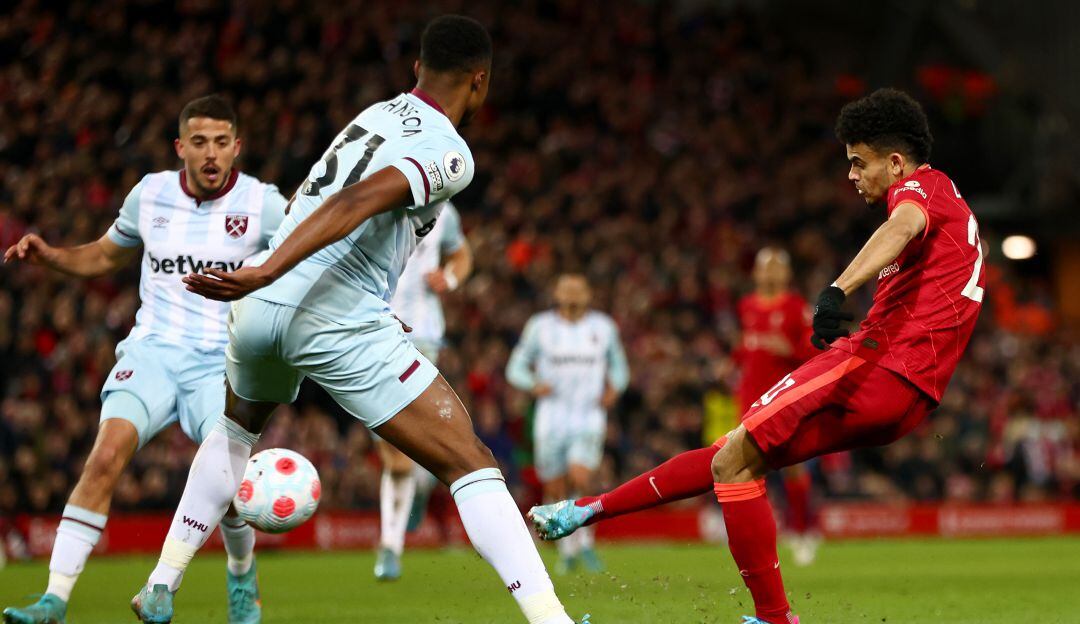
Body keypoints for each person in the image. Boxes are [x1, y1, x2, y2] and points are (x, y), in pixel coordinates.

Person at [131, 16, 585, 624]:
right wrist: (272, 274)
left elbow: (306, 202)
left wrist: (270, 276)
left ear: (416, 69)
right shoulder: (451, 152)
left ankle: (163, 582)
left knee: (237, 430)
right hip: (330, 313)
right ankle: (551, 620)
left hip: (262, 310)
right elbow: (354, 202)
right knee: (470, 462)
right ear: (480, 82)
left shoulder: (372, 115)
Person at [530, 88, 985, 624]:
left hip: (877, 365)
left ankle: (773, 616)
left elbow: (902, 225)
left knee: (732, 457)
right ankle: (588, 510)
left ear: (894, 160)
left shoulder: (919, 189)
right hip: (909, 396)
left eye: (858, 163)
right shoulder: (949, 199)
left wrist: (837, 290)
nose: (852, 175)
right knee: (735, 458)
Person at [2, 95, 285, 624]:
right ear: (180, 147)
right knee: (105, 455)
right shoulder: (150, 194)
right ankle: (54, 599)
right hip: (152, 350)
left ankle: (242, 574)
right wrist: (53, 257)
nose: (211, 153)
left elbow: (308, 251)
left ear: (236, 147)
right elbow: (106, 253)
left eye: (222, 142)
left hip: (219, 364)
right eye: (199, 142)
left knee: (227, 484)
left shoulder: (263, 203)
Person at [375, 201, 473, 580]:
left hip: (424, 337)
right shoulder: (371, 202)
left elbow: (461, 253)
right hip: (370, 334)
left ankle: (390, 545)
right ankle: (400, 520)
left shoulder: (445, 210)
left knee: (409, 445)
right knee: (398, 453)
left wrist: (450, 278)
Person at [506, 274, 629, 574]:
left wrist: (614, 390)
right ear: (557, 294)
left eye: (578, 289)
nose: (572, 295)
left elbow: (620, 367)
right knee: (555, 485)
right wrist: (532, 384)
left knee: (582, 477)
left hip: (588, 414)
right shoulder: (540, 327)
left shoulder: (603, 327)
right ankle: (567, 551)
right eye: (567, 290)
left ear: (588, 294)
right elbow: (515, 367)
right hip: (552, 416)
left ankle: (585, 544)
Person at [734, 248, 820, 565]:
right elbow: (745, 349)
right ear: (755, 274)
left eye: (775, 268)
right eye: (764, 268)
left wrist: (790, 349)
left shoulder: (797, 307)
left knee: (794, 466)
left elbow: (814, 352)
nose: (769, 274)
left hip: (784, 399)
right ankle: (763, 535)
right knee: (749, 469)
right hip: (749, 400)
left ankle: (803, 530)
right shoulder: (746, 306)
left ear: (786, 274)